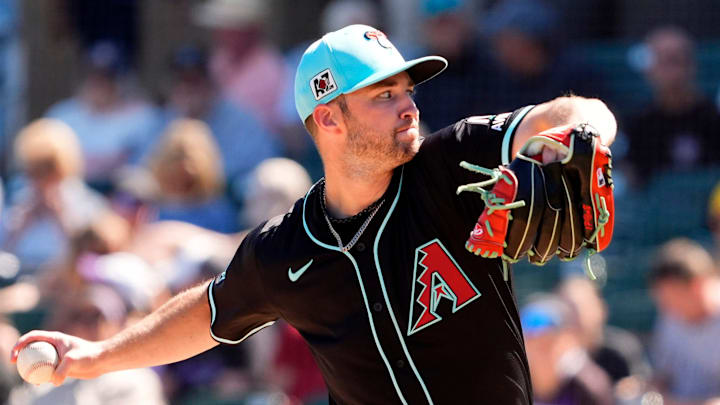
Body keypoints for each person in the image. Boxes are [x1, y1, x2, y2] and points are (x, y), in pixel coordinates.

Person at [11, 24, 616, 404]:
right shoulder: (287, 248)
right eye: (384, 96)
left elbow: (572, 110)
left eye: (407, 90)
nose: (408, 106)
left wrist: (585, 130)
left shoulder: (452, 166)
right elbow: (206, 313)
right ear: (328, 117)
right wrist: (95, 356)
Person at [624, 26, 720, 185]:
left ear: (692, 66)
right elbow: (631, 178)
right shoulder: (640, 124)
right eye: (663, 63)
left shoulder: (714, 118)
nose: (672, 73)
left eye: (677, 61)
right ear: (649, 71)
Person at [647, 238, 720, 405]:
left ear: (697, 286)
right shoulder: (669, 317)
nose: (666, 308)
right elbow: (663, 375)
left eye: (672, 299)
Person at [521, 293, 614, 405]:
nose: (540, 353)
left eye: (548, 343)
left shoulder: (588, 387)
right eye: (532, 342)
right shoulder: (512, 384)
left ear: (568, 340)